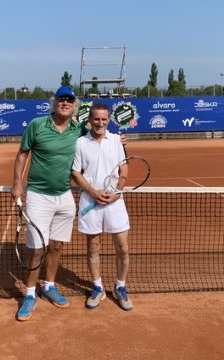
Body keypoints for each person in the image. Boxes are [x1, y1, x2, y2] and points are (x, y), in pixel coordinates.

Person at [11, 85, 85, 322]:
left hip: (65, 196)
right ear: (54, 103)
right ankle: (29, 294)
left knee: (56, 246)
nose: (65, 103)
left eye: (69, 100)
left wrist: (120, 140)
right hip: (38, 196)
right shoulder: (37, 125)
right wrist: (17, 183)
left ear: (74, 105)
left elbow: (98, 136)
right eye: (61, 99)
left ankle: (49, 286)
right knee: (36, 250)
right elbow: (23, 154)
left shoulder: (79, 129)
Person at [71, 102, 134, 311]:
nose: (100, 122)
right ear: (90, 120)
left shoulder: (116, 140)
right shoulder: (80, 143)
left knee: (123, 248)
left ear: (108, 120)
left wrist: (116, 193)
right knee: (93, 248)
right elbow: (75, 172)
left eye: (104, 119)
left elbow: (124, 171)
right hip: (90, 202)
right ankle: (97, 287)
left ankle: (120, 286)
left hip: (115, 202)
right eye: (96, 119)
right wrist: (93, 192)